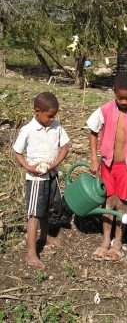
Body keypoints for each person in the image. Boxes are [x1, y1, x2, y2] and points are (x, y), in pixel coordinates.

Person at [86, 72, 127, 261]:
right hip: (107, 165)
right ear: (114, 93)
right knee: (108, 203)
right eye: (120, 98)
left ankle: (118, 241)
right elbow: (93, 132)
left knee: (122, 205)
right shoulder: (105, 109)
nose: (124, 102)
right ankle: (105, 240)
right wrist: (93, 159)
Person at [13, 92, 69, 268]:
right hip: (36, 179)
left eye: (54, 116)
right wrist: (28, 167)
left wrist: (54, 165)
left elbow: (65, 147)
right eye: (49, 116)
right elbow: (17, 151)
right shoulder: (28, 130)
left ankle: (44, 236)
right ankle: (31, 252)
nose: (52, 119)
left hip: (51, 175)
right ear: (37, 111)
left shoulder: (57, 126)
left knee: (45, 210)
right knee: (34, 214)